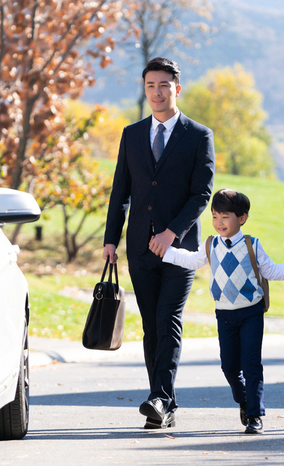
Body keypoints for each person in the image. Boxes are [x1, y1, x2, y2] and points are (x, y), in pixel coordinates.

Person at [102, 57, 215, 429]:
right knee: (152, 324)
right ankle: (162, 400)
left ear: (176, 88)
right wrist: (110, 241)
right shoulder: (131, 134)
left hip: (179, 251)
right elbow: (121, 191)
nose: (157, 92)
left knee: (168, 319)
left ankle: (160, 399)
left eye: (164, 85)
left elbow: (202, 193)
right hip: (138, 248)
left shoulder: (199, 135)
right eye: (150, 86)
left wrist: (172, 233)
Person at [157, 188, 284, 434]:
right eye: (215, 216)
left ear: (242, 218)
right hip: (224, 315)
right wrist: (167, 251)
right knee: (229, 367)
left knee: (251, 365)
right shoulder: (210, 244)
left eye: (225, 216)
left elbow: (271, 271)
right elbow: (193, 261)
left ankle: (255, 416)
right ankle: (245, 401)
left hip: (251, 313)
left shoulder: (252, 244)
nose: (219, 222)